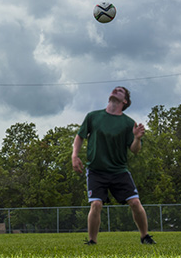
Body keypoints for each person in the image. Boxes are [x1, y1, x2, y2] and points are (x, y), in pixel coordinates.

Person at [71, 86, 156, 245]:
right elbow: (79, 136)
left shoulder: (128, 123)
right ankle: (92, 241)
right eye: (115, 89)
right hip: (96, 170)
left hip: (119, 171)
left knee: (135, 203)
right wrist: (74, 155)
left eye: (120, 91)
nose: (116, 90)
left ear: (125, 101)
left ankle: (145, 236)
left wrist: (137, 138)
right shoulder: (93, 116)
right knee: (96, 204)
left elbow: (135, 150)